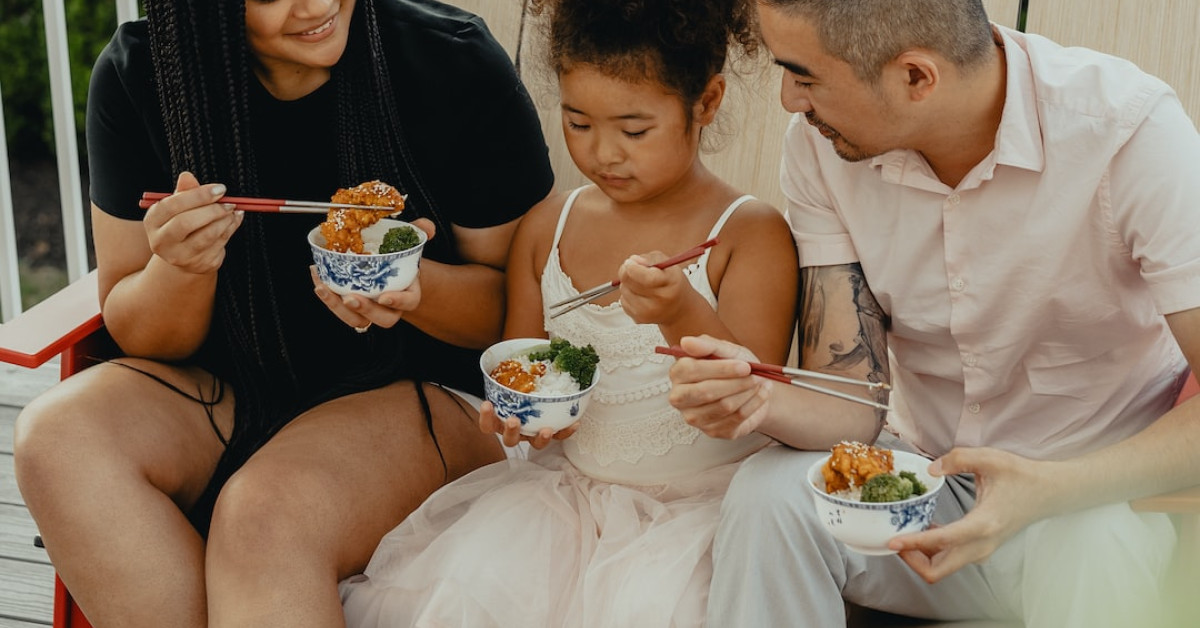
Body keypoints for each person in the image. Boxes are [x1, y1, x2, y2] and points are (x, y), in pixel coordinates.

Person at [12, 0, 554, 626]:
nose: (318, 5)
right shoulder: (142, 75)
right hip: (237, 385)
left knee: (265, 512)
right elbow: (137, 333)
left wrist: (416, 289)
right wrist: (180, 268)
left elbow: (524, 314)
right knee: (57, 438)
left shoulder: (450, 61)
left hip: (428, 395)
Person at [665, 1, 1200, 627]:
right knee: (769, 497)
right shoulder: (821, 150)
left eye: (804, 77)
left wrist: (1049, 491)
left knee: (1094, 543)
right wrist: (757, 395)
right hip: (923, 487)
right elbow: (851, 401)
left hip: (1088, 496)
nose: (789, 100)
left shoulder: (1128, 132)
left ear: (917, 76)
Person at [337, 0, 798, 625]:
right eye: (578, 123)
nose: (604, 152)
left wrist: (680, 308)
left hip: (700, 514)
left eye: (634, 130)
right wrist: (520, 420)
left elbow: (748, 402)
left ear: (706, 103)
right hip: (560, 504)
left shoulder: (747, 234)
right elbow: (519, 367)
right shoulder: (547, 227)